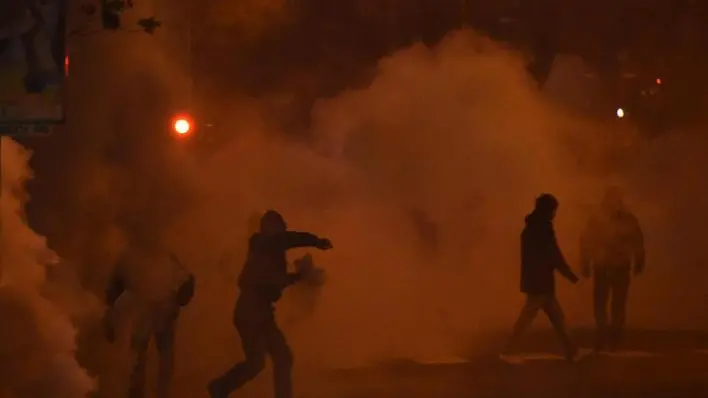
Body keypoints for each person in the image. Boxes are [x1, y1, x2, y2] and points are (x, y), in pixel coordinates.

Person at [207, 210, 333, 398]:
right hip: (252, 313)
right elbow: (271, 279)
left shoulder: (270, 245)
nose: (283, 229)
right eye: (279, 226)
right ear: (269, 229)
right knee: (280, 358)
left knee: (258, 363)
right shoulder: (263, 247)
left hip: (256, 312)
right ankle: (221, 387)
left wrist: (315, 241)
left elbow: (292, 239)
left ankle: (220, 388)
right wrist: (300, 275)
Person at [103, 235, 195, 398]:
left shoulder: (161, 254)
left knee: (154, 354)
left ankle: (157, 391)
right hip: (147, 311)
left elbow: (187, 281)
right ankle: (144, 391)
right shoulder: (135, 256)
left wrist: (179, 300)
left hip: (160, 310)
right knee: (144, 354)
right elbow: (114, 288)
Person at [503, 193, 579, 361]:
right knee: (550, 317)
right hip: (542, 282)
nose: (554, 214)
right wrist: (568, 274)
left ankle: (570, 349)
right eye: (553, 210)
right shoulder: (543, 229)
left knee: (544, 316)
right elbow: (553, 255)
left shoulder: (531, 228)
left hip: (535, 280)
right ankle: (570, 349)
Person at [580, 186, 645, 352]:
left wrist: (586, 263)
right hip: (614, 266)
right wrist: (639, 261)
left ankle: (608, 336)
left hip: (609, 266)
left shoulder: (598, 219)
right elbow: (637, 240)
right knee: (614, 303)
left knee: (606, 303)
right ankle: (611, 336)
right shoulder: (626, 219)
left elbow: (586, 241)